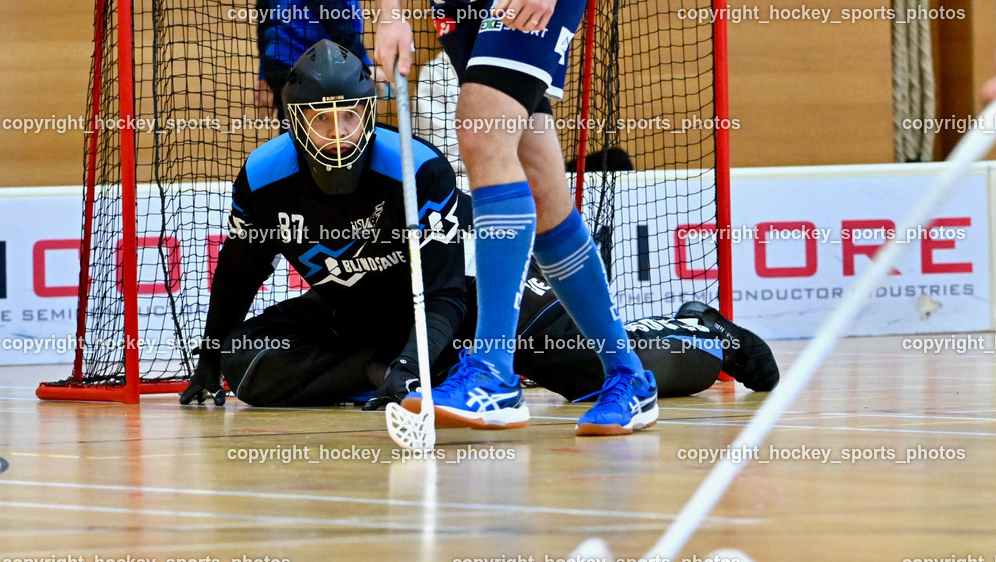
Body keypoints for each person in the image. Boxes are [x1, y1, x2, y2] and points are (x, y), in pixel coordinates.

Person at [180, 40, 780, 418]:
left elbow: (442, 292)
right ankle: (405, 378)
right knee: (245, 363)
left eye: (348, 116)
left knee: (585, 369)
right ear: (294, 121)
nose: (336, 133)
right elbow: (239, 274)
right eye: (320, 118)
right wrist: (208, 359)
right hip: (355, 319)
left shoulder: (416, 168)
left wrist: (415, 357)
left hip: (467, 305)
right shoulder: (263, 177)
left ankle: (703, 333)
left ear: (367, 113)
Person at [372, 0, 661, 434]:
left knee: (480, 128)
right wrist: (388, 8)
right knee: (541, 188)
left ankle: (493, 373)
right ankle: (630, 377)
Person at [254, 0, 386, 120]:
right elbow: (326, 4)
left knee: (295, 130)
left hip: (278, 63)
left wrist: (264, 73)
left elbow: (264, 10)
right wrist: (362, 62)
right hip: (318, 66)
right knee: (350, 127)